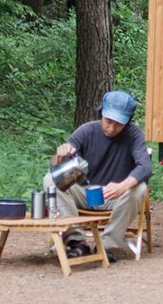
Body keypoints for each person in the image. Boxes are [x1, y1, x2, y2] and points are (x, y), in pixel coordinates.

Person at [47, 90, 152, 260]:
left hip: (115, 196)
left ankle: (106, 246)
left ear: (127, 122)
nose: (111, 128)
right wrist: (59, 155)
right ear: (102, 113)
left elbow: (145, 167)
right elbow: (54, 166)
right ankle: (76, 242)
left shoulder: (134, 134)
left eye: (118, 124)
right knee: (51, 180)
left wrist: (121, 186)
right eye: (108, 121)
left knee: (139, 188)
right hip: (86, 193)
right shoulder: (87, 130)